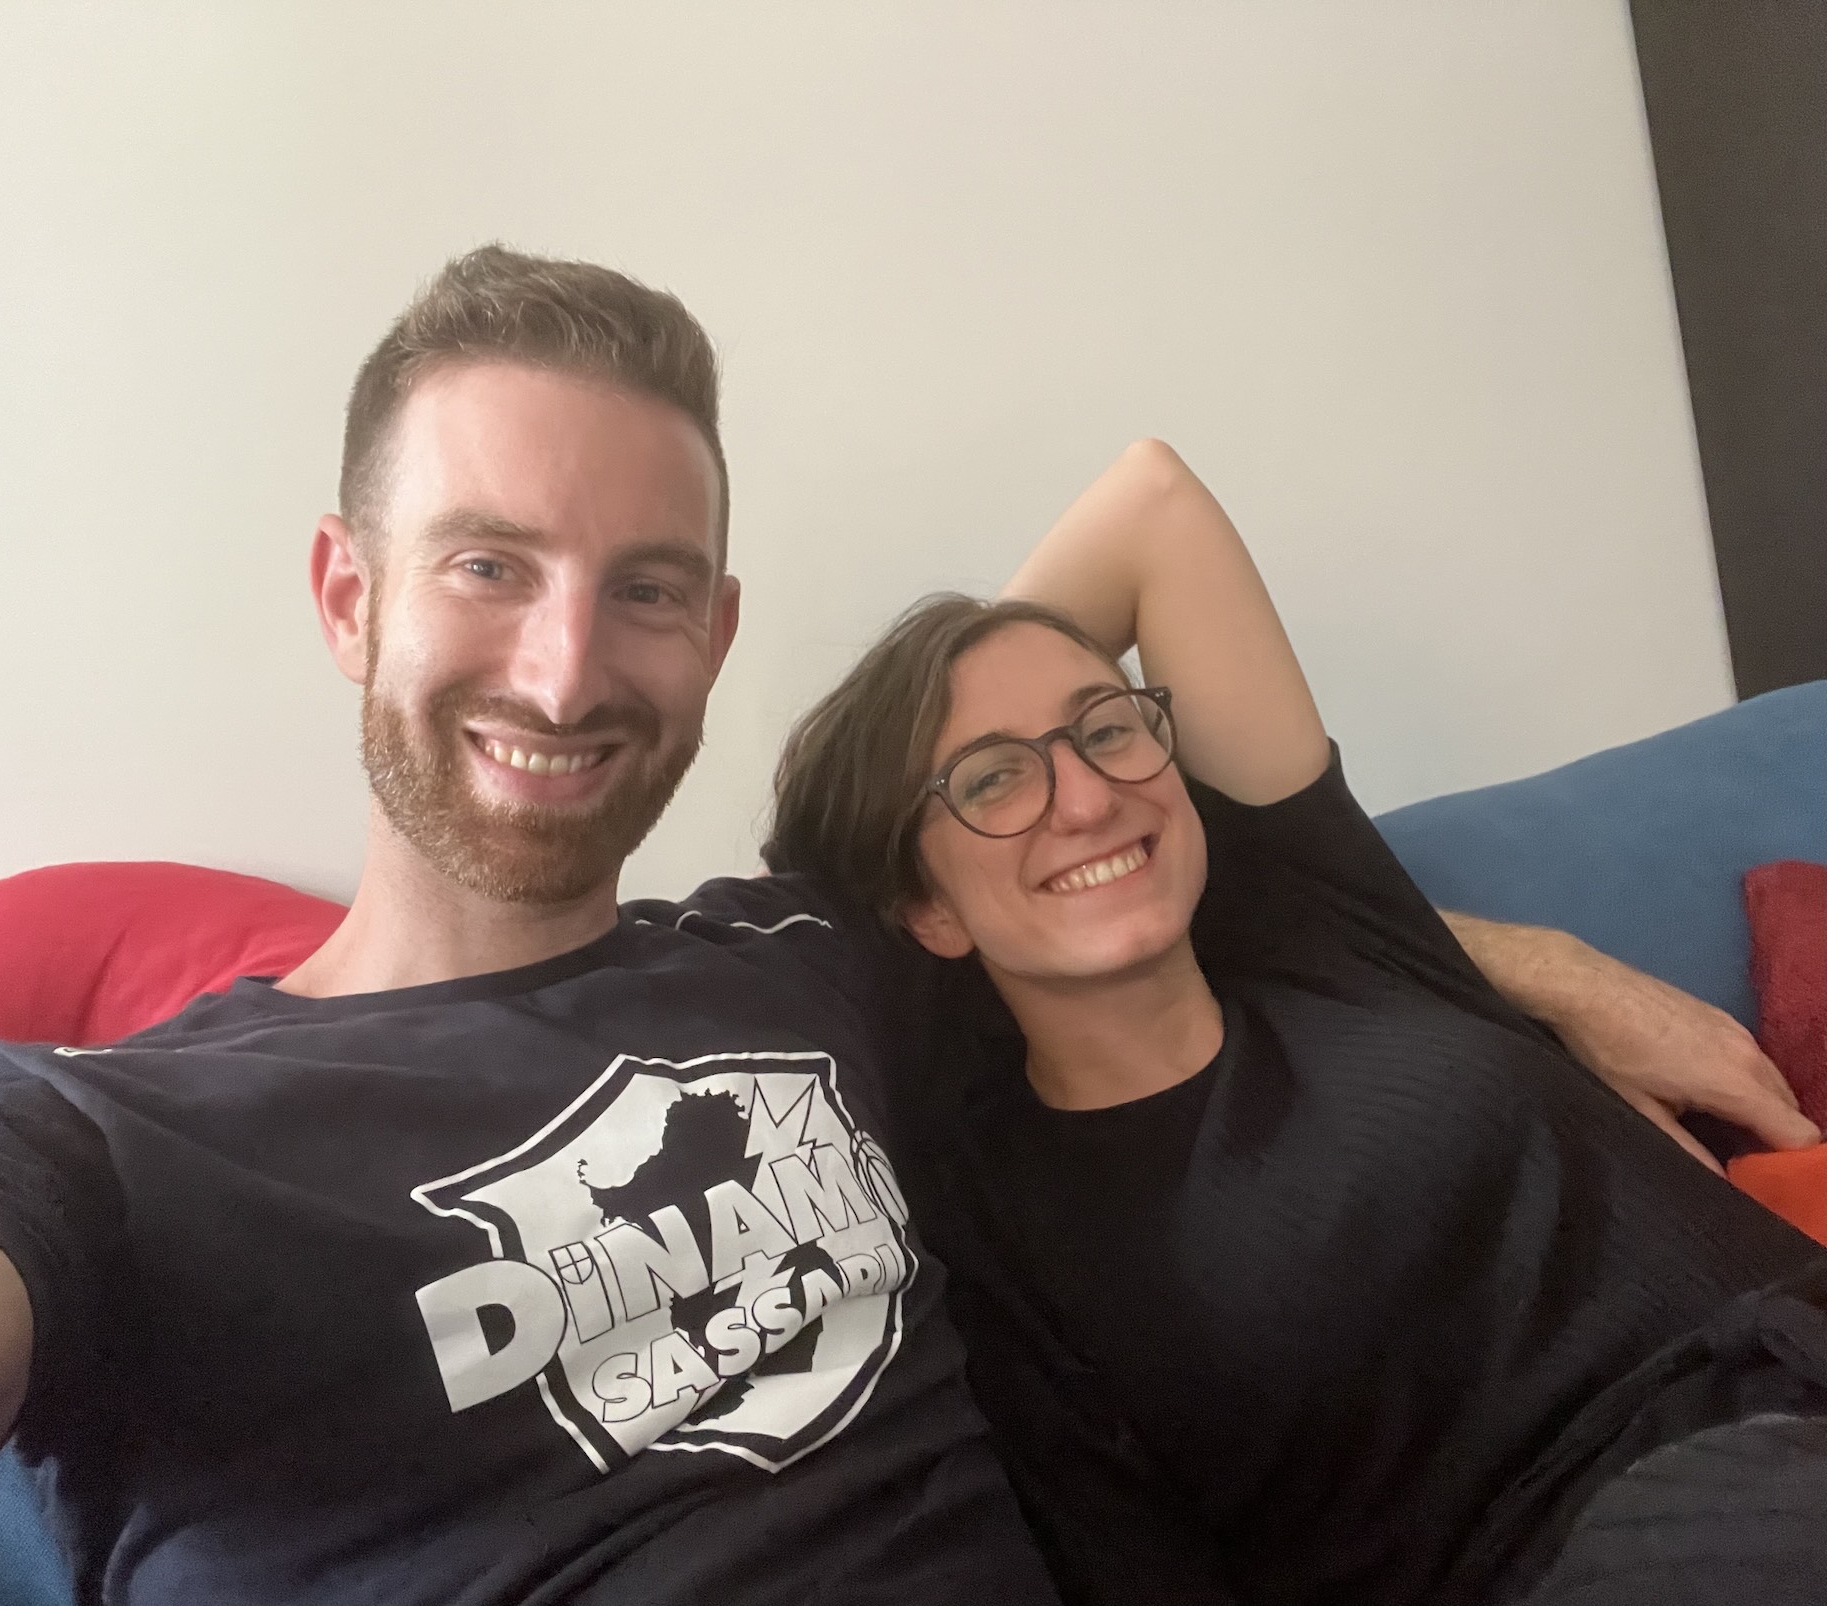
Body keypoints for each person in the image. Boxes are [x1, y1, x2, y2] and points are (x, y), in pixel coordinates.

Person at [0, 248, 1809, 1604]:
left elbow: (1066, 752)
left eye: (646, 588)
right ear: (347, 595)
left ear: (717, 636)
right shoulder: (98, 1137)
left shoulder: (796, 962)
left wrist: (1502, 954)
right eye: (489, 566)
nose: (567, 668)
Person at [763, 439, 1827, 1605]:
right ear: (924, 908)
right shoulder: (991, 1212)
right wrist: (901, 742)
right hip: (1620, 1544)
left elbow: (1153, 504)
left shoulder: (1326, 927)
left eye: (1106, 727)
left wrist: (979, 689)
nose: (1087, 792)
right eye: (994, 781)